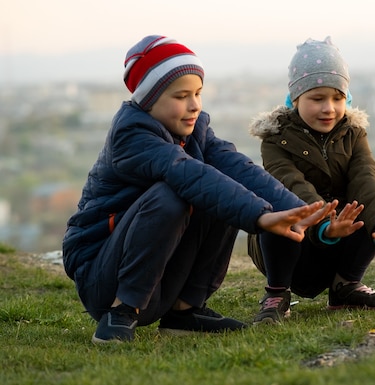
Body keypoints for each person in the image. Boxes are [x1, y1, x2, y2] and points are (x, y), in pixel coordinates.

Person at [62, 35, 335, 344]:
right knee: (172, 196)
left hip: (159, 279)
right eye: (181, 96)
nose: (194, 105)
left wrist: (301, 212)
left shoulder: (196, 131)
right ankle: (122, 311)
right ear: (149, 100)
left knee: (222, 188)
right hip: (102, 279)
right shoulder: (132, 135)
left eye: (198, 93)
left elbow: (239, 169)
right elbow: (187, 173)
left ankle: (185, 311)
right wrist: (259, 217)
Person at [247, 36, 375, 324]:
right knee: (276, 205)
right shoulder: (275, 138)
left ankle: (345, 286)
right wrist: (323, 223)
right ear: (295, 99)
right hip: (295, 251)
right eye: (317, 98)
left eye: (337, 98)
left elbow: (366, 177)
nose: (329, 108)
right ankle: (277, 293)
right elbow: (291, 184)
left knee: (372, 203)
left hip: (340, 239)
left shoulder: (353, 133)